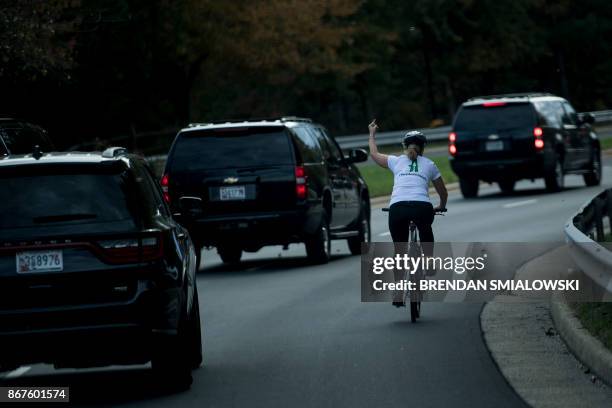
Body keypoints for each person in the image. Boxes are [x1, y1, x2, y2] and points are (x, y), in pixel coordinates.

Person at [368, 119, 448, 306]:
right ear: (423, 147)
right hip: (422, 207)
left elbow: (373, 154)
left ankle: (398, 292)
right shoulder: (429, 164)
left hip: (398, 209)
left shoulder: (395, 161)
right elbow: (442, 191)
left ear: (404, 146)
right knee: (425, 227)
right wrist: (441, 205)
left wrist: (372, 134)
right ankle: (428, 261)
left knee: (400, 251)